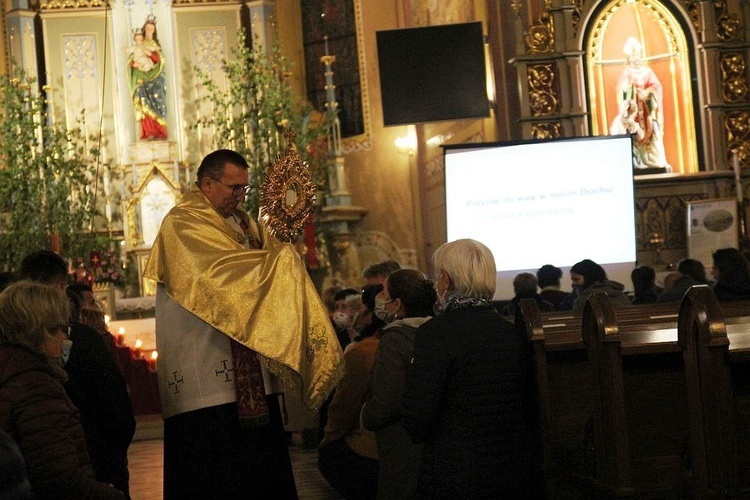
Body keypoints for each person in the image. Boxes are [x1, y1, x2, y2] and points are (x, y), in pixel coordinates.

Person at [143, 149, 344, 499]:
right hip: (205, 368)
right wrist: (279, 261)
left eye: (244, 189)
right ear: (207, 184)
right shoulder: (182, 222)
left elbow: (269, 268)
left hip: (251, 369)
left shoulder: (245, 222)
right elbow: (217, 276)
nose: (240, 196)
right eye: (234, 188)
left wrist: (285, 249)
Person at [401, 239, 535, 498]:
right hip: (512, 469)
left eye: (437, 277)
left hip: (455, 470)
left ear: (447, 280)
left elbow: (420, 413)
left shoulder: (435, 333)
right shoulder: (511, 332)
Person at [19, 250, 136, 499]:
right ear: (60, 287)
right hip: (89, 475)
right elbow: (119, 415)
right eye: (59, 332)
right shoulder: (81, 342)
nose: (63, 339)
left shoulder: (17, 348)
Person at [0, 281, 125, 499]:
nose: (65, 338)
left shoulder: (11, 369)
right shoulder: (36, 387)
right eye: (59, 328)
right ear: (37, 330)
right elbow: (59, 478)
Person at [362, 269, 435, 500]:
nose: (380, 297)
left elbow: (387, 399)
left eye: (384, 292)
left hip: (401, 441)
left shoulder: (394, 339)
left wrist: (367, 415)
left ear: (397, 304)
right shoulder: (438, 331)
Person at [318, 311, 380, 499]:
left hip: (380, 445)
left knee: (331, 456)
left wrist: (329, 438)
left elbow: (343, 406)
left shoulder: (366, 351)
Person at [613, 36, 670, 171]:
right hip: (634, 113)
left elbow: (657, 87)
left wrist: (649, 92)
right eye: (633, 56)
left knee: (653, 133)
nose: (636, 58)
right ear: (629, 58)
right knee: (633, 134)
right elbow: (621, 91)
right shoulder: (626, 72)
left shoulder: (648, 71)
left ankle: (656, 161)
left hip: (647, 110)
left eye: (637, 55)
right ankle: (638, 163)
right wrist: (631, 89)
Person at [127, 16, 167, 140]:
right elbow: (131, 61)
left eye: (152, 29)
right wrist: (135, 64)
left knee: (157, 103)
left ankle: (159, 131)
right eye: (148, 28)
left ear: (154, 31)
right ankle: (147, 131)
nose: (149, 31)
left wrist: (149, 54)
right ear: (144, 30)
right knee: (142, 102)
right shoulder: (138, 45)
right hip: (142, 80)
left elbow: (159, 60)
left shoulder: (155, 45)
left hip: (156, 80)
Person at [567, 258, 632, 312]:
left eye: (576, 279)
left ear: (589, 278)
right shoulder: (621, 295)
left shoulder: (582, 301)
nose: (573, 283)